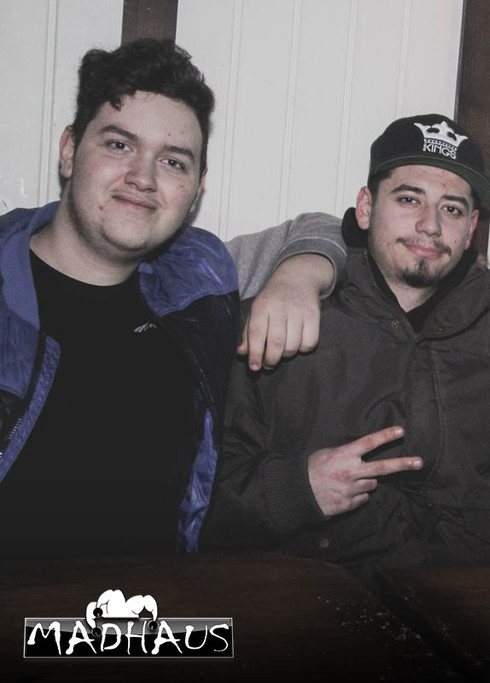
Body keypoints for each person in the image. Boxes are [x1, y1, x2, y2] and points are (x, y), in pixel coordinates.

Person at [0, 39, 345, 557]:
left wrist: (298, 277)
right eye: (119, 145)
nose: (143, 178)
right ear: (69, 150)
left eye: (173, 162)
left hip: (153, 606)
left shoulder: (198, 278)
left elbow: (326, 229)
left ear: (196, 188)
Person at [202, 114, 490, 585]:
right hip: (312, 601)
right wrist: (297, 489)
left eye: (452, 209)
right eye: (408, 199)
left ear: (471, 229)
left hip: (468, 602)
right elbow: (196, 501)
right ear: (365, 207)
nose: (430, 225)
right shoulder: (279, 318)